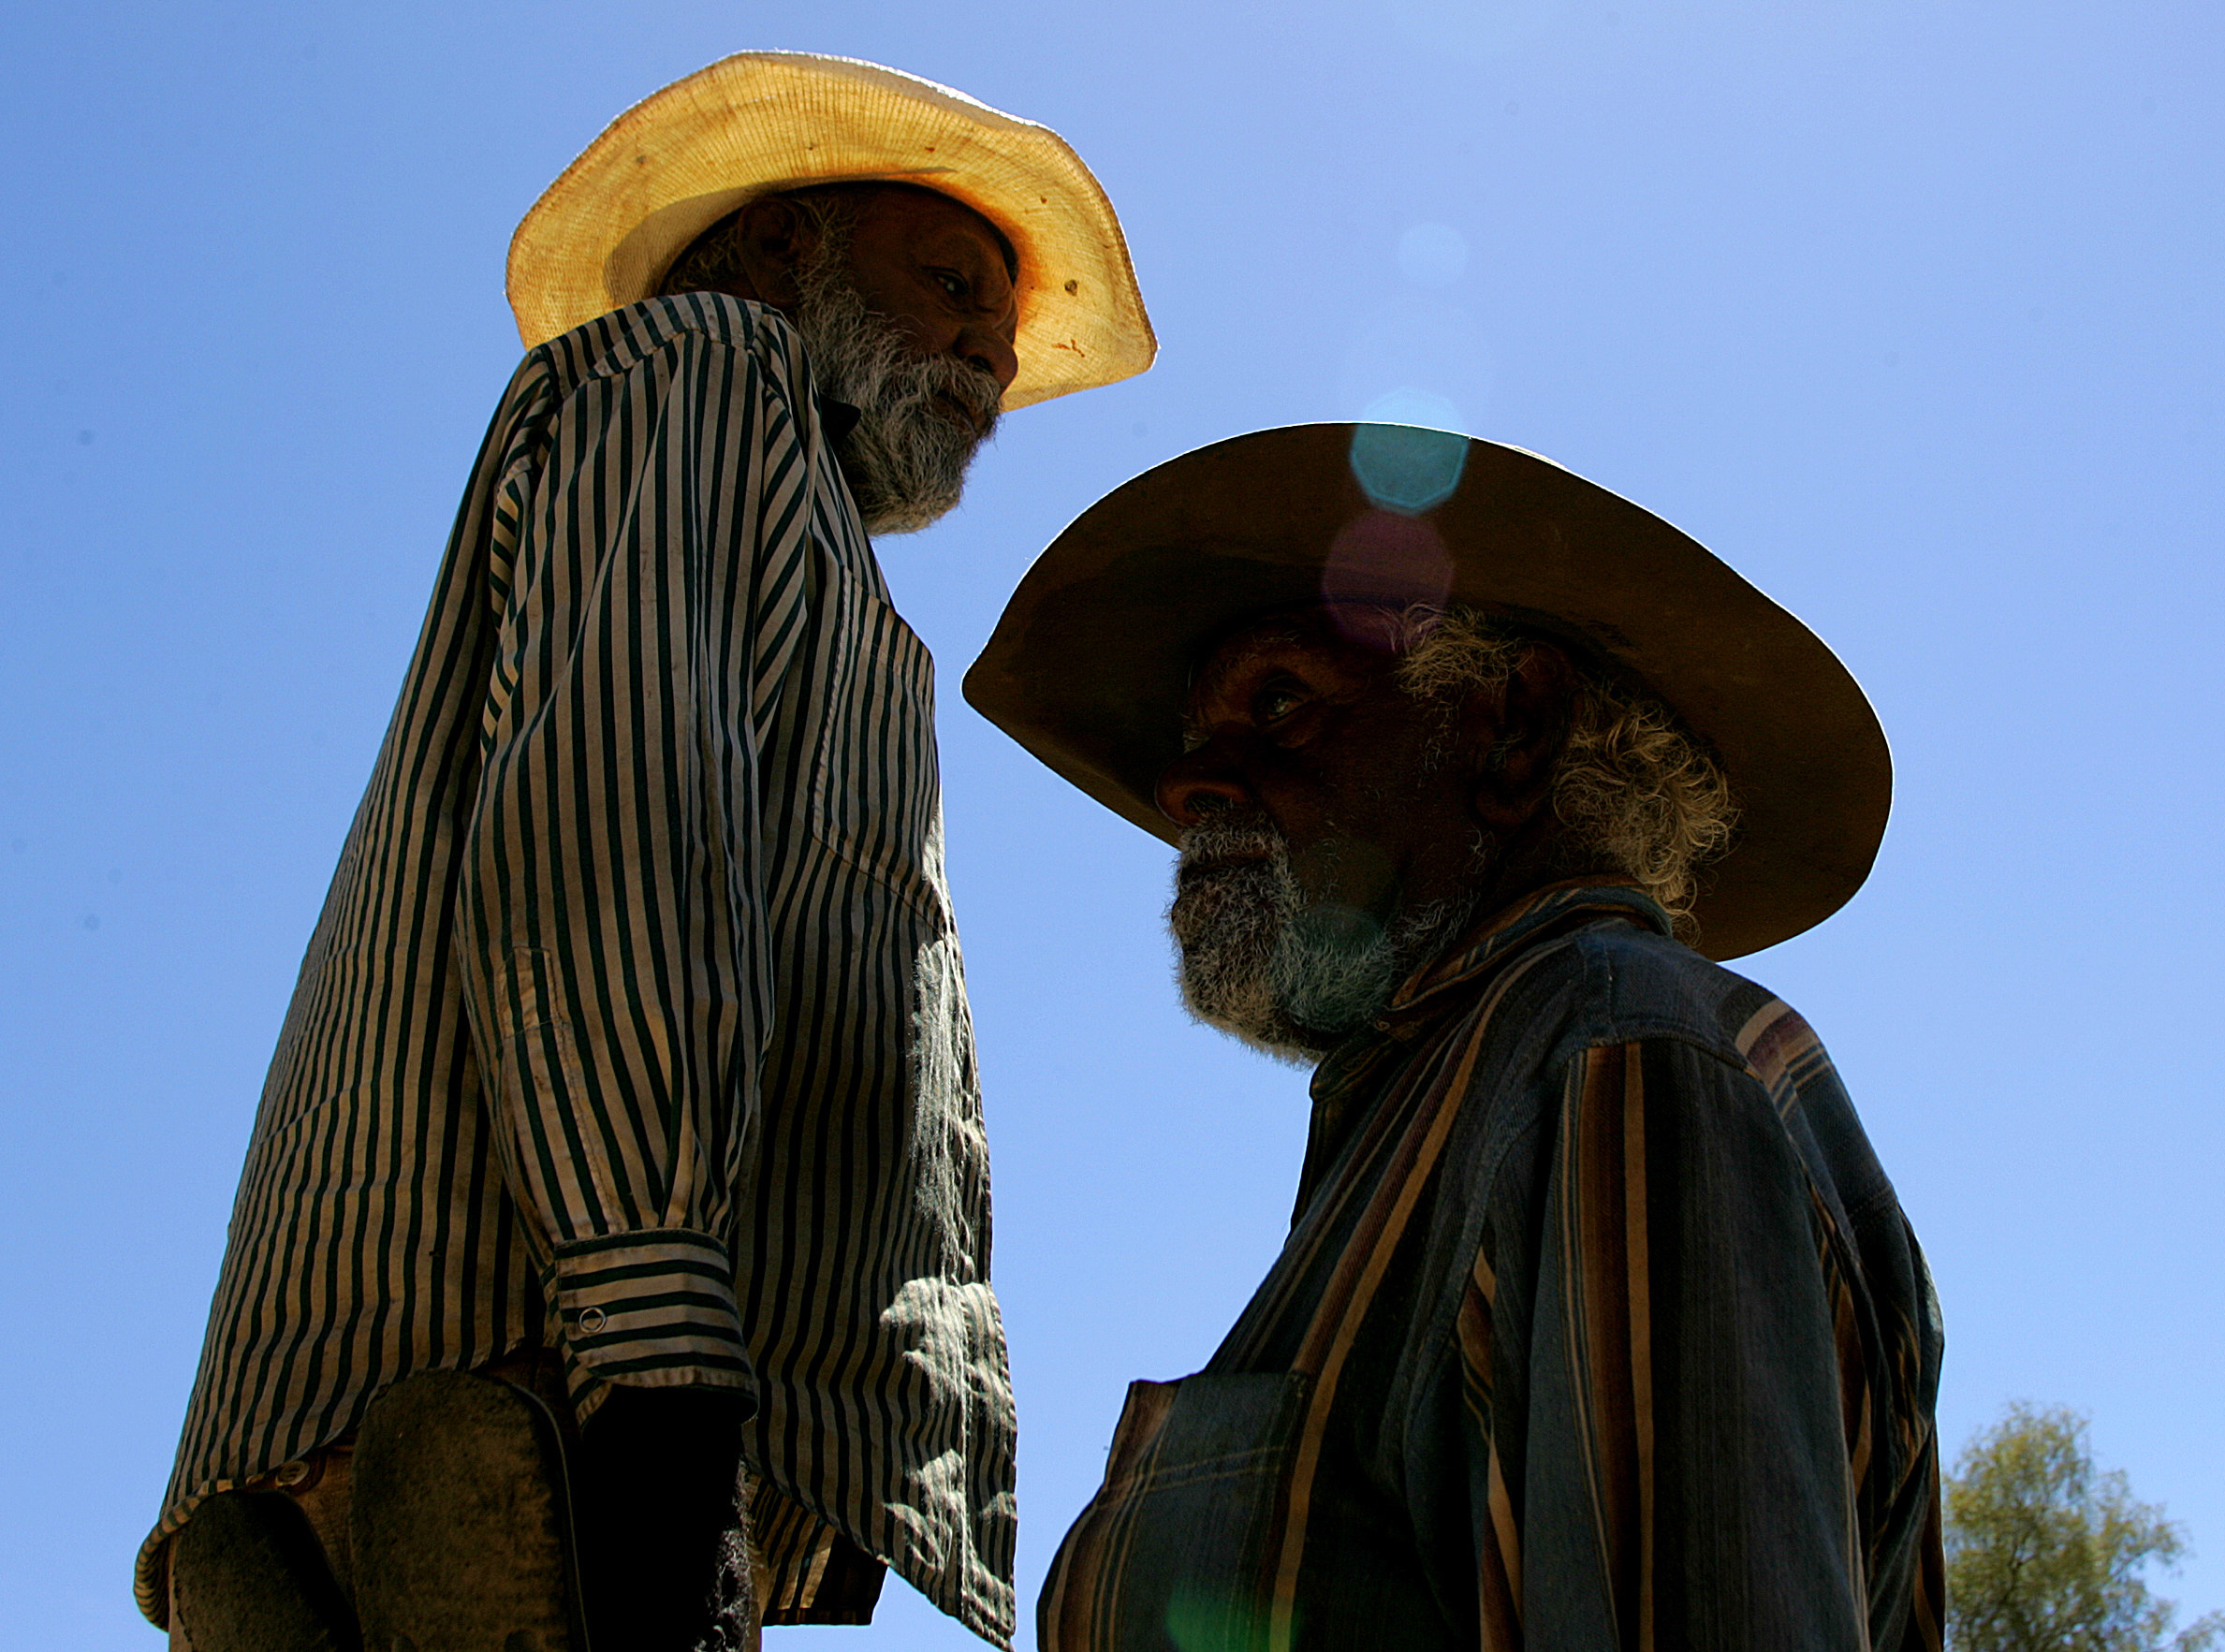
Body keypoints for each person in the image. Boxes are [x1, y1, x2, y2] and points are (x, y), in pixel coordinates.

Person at [143, 52, 1154, 1652]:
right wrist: (665, 1370)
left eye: (1004, 328)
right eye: (949, 281)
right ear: (777, 255)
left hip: (559, 1394)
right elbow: (616, 829)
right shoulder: (701, 373)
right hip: (525, 1396)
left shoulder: (794, 521)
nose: (985, 343)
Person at [964, 423, 1945, 1650]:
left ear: (1516, 726)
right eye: (1193, 739)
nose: (1190, 785)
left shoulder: (1616, 1057)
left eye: (1281, 700)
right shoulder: (1468, 1091)